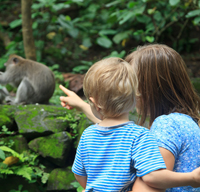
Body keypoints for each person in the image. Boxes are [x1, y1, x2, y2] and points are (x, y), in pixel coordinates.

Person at [60, 44, 200, 191]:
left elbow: (151, 178)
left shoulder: (166, 125)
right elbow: (116, 131)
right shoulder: (183, 121)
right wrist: (82, 105)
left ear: (149, 86)